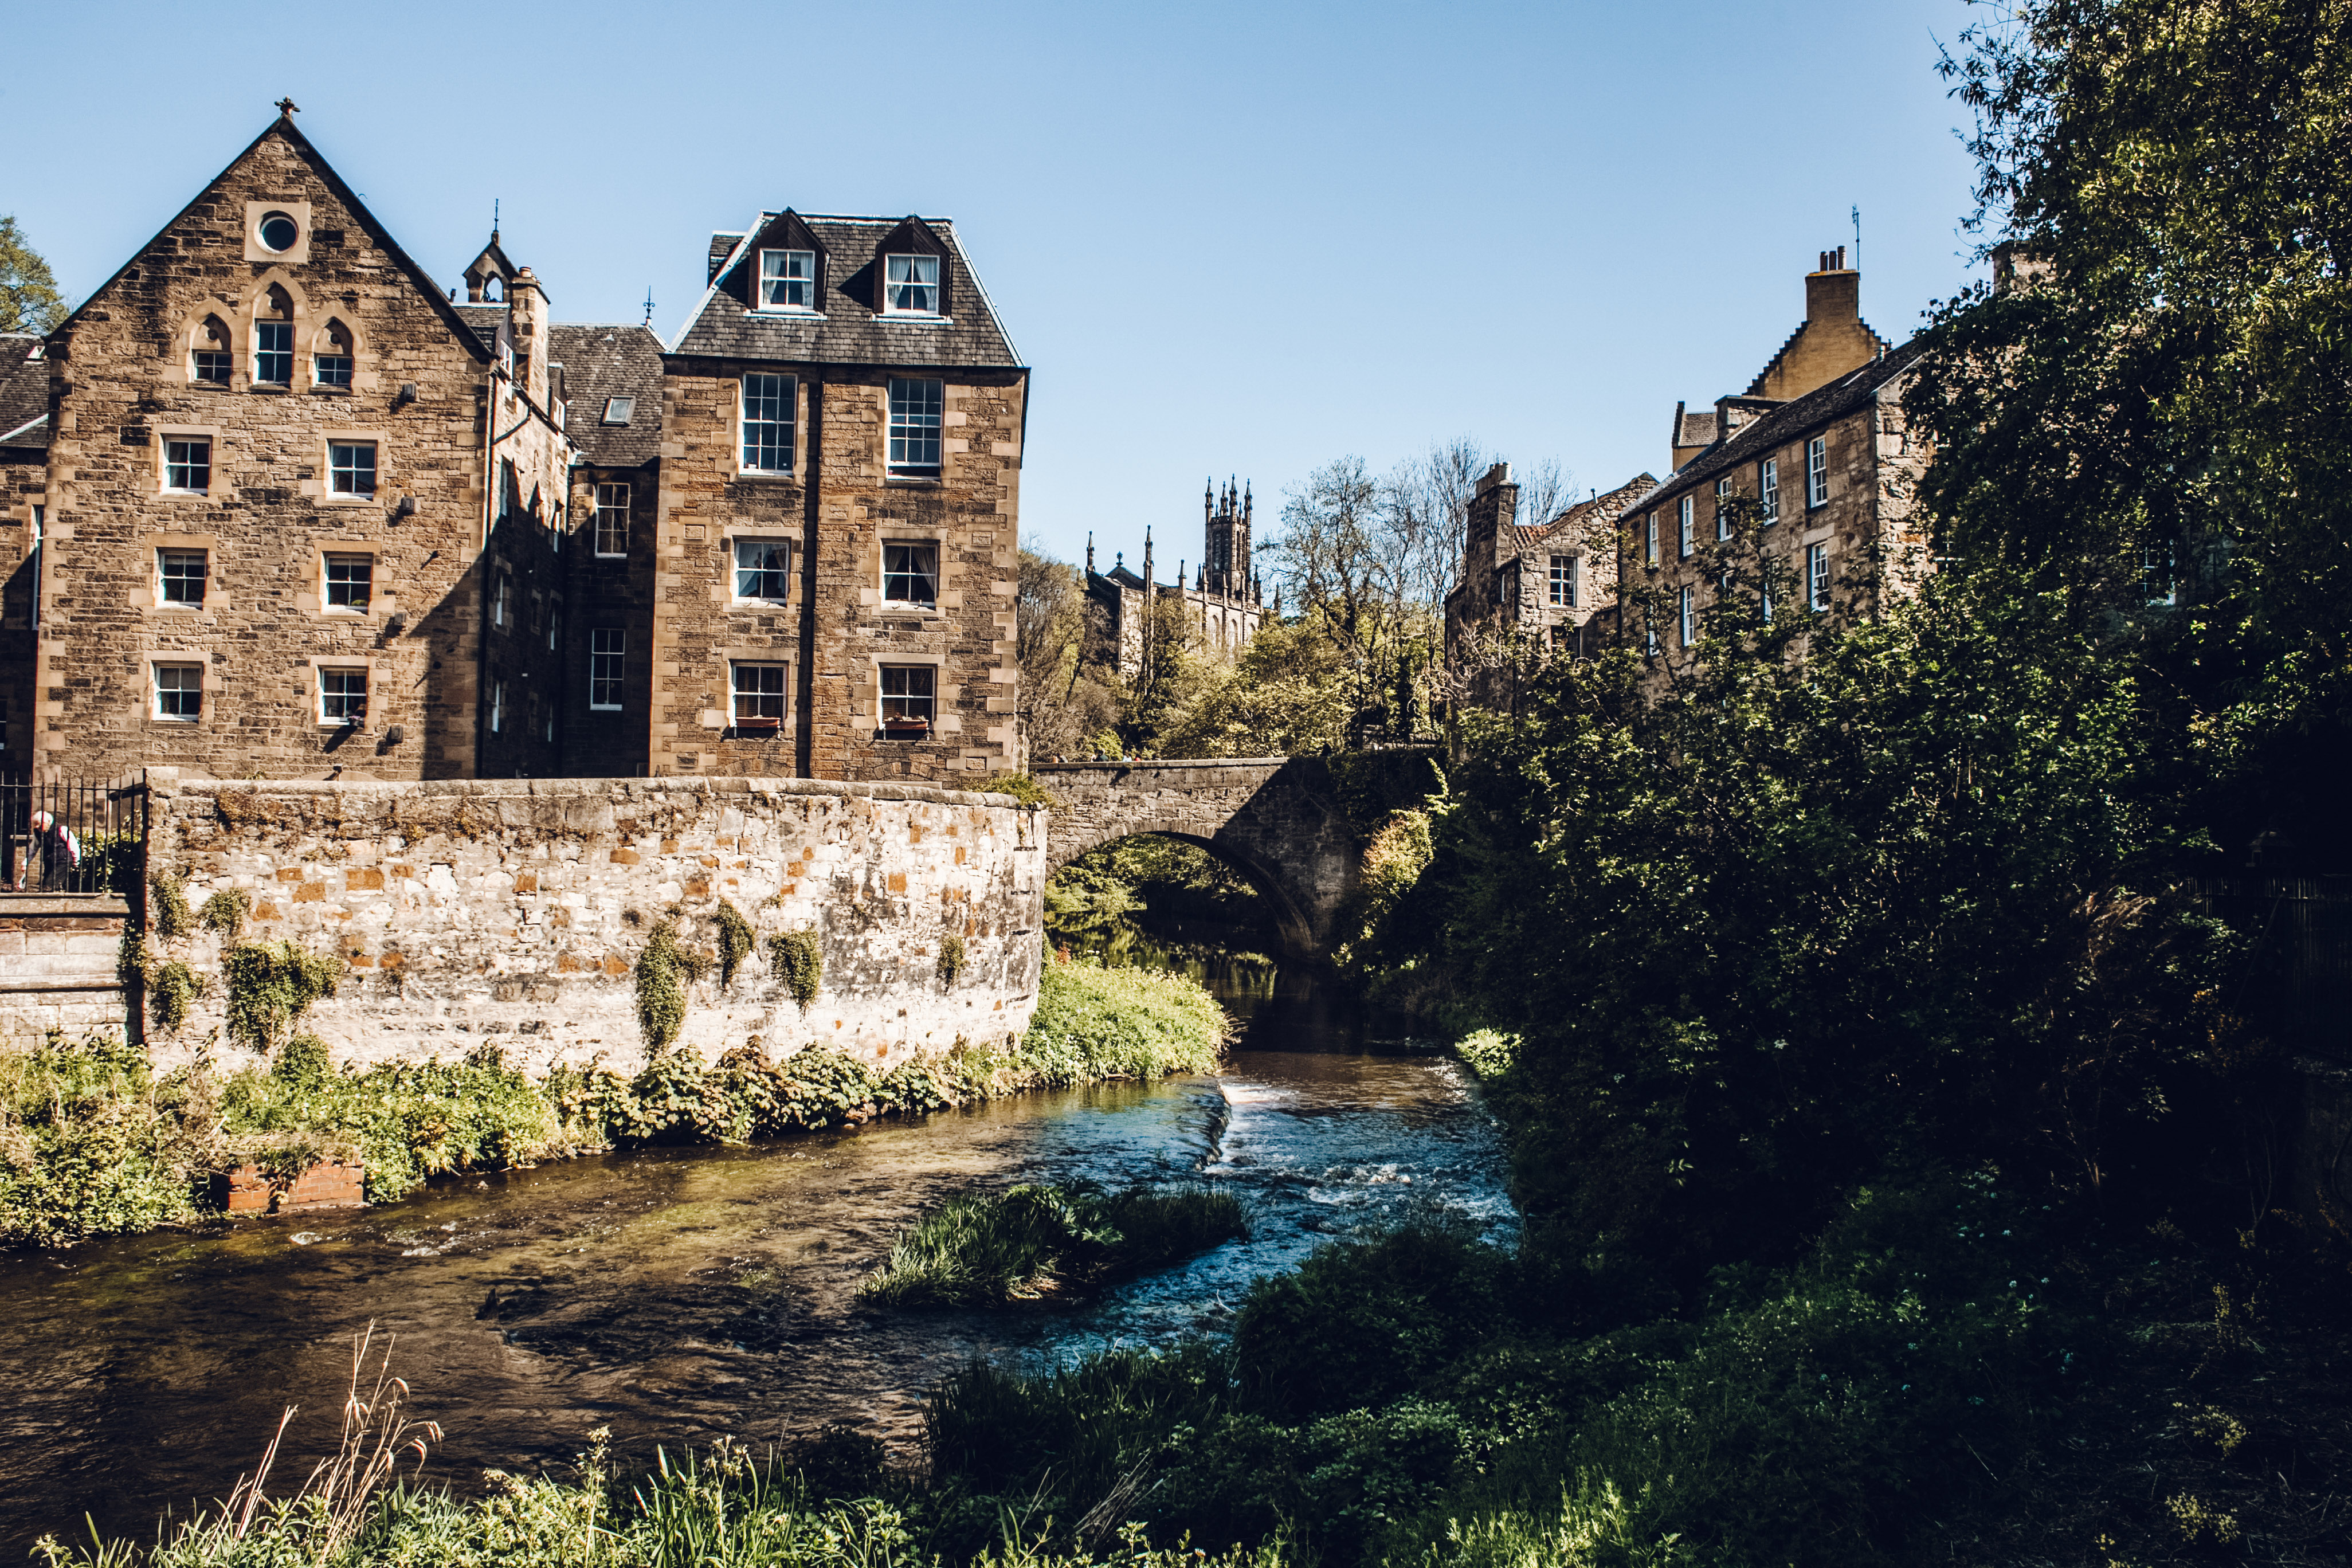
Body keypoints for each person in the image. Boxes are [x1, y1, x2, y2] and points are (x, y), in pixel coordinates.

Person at [18, 809, 80, 892]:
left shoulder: (62, 830)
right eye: (35, 824)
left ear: (49, 822)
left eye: (39, 824)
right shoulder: (38, 833)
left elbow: (73, 845)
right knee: (47, 885)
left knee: (49, 885)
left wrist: (76, 861)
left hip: (63, 861)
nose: (36, 827)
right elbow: (33, 849)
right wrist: (25, 863)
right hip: (49, 862)